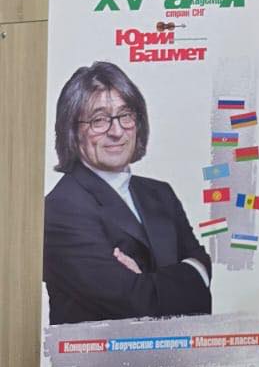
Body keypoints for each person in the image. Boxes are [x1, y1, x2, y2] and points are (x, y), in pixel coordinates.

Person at [44, 61, 212, 323]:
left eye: (125, 115)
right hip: (102, 349)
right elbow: (137, 304)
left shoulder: (160, 193)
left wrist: (147, 280)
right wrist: (187, 278)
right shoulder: (61, 208)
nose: (117, 131)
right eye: (99, 120)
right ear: (73, 131)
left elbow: (202, 262)